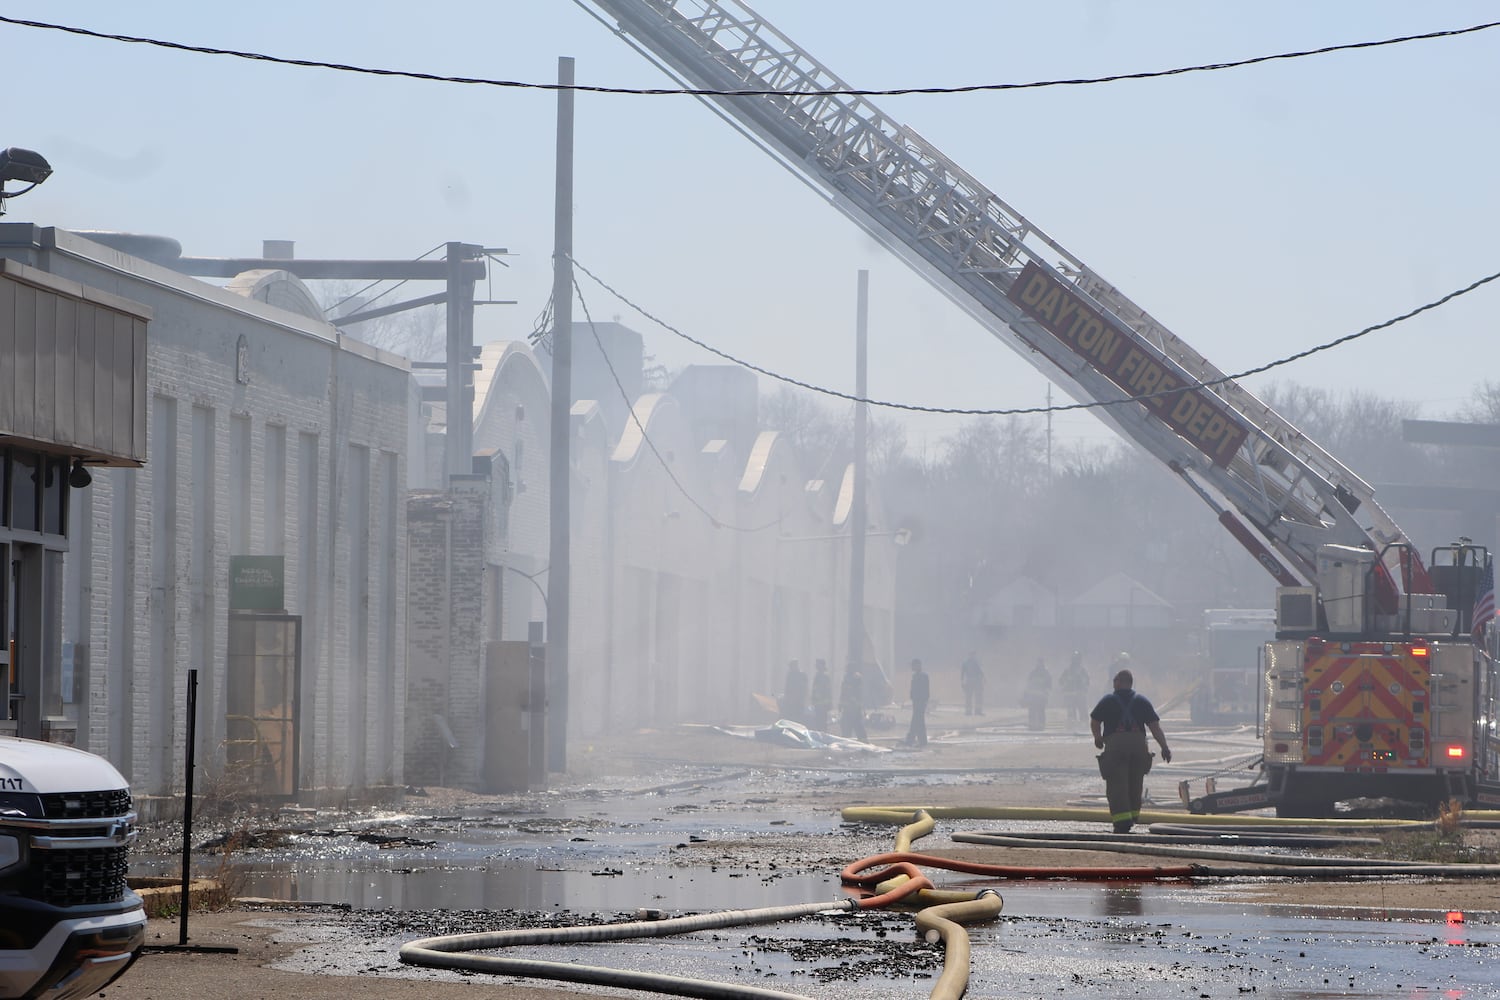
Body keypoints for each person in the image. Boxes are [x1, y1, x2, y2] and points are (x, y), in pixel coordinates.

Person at [1089, 668, 1172, 834]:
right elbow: (1155, 728)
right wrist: (1164, 747)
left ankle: (1122, 823)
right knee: (1136, 783)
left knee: (1117, 784)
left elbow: (1095, 721)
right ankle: (1133, 816)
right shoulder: (1142, 701)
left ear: (1119, 682)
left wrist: (1098, 738)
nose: (1113, 684)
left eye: (1115, 681)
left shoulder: (1108, 700)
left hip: (1116, 746)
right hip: (1139, 746)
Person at [904, 658, 930, 747]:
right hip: (917, 702)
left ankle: (911, 740)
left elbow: (925, 691)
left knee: (916, 721)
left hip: (920, 702)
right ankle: (921, 741)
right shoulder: (915, 676)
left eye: (913, 665)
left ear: (918, 665)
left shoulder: (922, 676)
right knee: (918, 721)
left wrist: (922, 701)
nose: (911, 667)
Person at [1059, 650, 1090, 723]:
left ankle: (1083, 722)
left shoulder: (1082, 670)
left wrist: (1084, 687)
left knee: (1081, 709)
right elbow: (1061, 680)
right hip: (1071, 694)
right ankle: (1073, 723)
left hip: (1079, 693)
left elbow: (1087, 681)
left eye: (1077, 659)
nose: (1076, 661)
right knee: (1072, 710)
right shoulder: (1068, 671)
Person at [839, 665, 867, 741]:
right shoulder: (846, 678)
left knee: (856, 723)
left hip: (854, 706)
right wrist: (841, 704)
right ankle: (846, 740)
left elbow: (857, 692)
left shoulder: (856, 678)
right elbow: (843, 692)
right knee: (846, 724)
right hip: (847, 707)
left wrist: (855, 702)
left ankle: (863, 740)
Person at [1023, 658, 1052, 730]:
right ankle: (1032, 725)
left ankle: (1041, 726)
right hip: (1033, 696)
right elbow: (1028, 684)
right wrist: (1026, 694)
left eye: (1040, 663)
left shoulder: (1045, 673)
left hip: (1041, 696)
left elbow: (1049, 686)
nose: (1039, 664)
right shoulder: (1033, 673)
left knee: (1040, 711)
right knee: (1032, 711)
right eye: (1038, 663)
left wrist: (1046, 693)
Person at [780, 659, 807, 725]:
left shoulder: (800, 675)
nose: (791, 668)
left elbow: (804, 688)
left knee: (797, 718)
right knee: (792, 718)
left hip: (797, 701)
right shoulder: (791, 675)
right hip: (793, 701)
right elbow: (787, 688)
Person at [809, 659, 833, 731]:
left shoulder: (825, 677)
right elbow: (815, 689)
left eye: (818, 664)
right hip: (818, 704)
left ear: (822, 666)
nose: (816, 666)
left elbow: (828, 691)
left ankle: (823, 737)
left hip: (823, 705)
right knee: (818, 722)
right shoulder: (817, 676)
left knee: (822, 722)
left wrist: (828, 703)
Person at [960, 651, 985, 716]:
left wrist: (962, 682)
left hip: (969, 681)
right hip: (975, 682)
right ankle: (977, 711)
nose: (974, 656)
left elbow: (962, 673)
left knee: (969, 697)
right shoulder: (975, 662)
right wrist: (983, 679)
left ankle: (968, 712)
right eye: (973, 655)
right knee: (977, 697)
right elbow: (980, 672)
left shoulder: (965, 663)